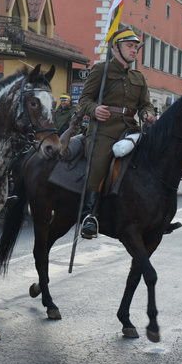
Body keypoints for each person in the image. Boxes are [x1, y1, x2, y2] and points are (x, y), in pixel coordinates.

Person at [77, 27, 156, 239]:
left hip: (130, 130)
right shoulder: (101, 71)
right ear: (115, 48)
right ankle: (89, 216)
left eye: (135, 46)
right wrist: (95, 109)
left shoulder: (138, 77)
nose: (134, 50)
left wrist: (148, 114)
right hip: (104, 130)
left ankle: (154, 212)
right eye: (129, 46)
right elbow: (84, 100)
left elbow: (145, 105)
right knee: (99, 162)